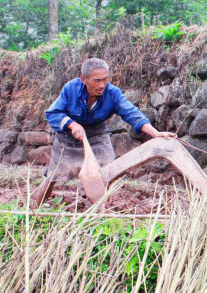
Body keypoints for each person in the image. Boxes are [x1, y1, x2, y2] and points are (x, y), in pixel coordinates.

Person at [33, 58, 175, 205]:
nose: (102, 85)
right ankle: (36, 208)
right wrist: (72, 125)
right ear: (84, 79)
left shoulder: (112, 93)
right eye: (97, 80)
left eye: (105, 79)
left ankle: (95, 207)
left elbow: (132, 113)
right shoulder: (71, 89)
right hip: (67, 138)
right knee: (54, 176)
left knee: (106, 169)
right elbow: (53, 113)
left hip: (97, 136)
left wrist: (156, 133)